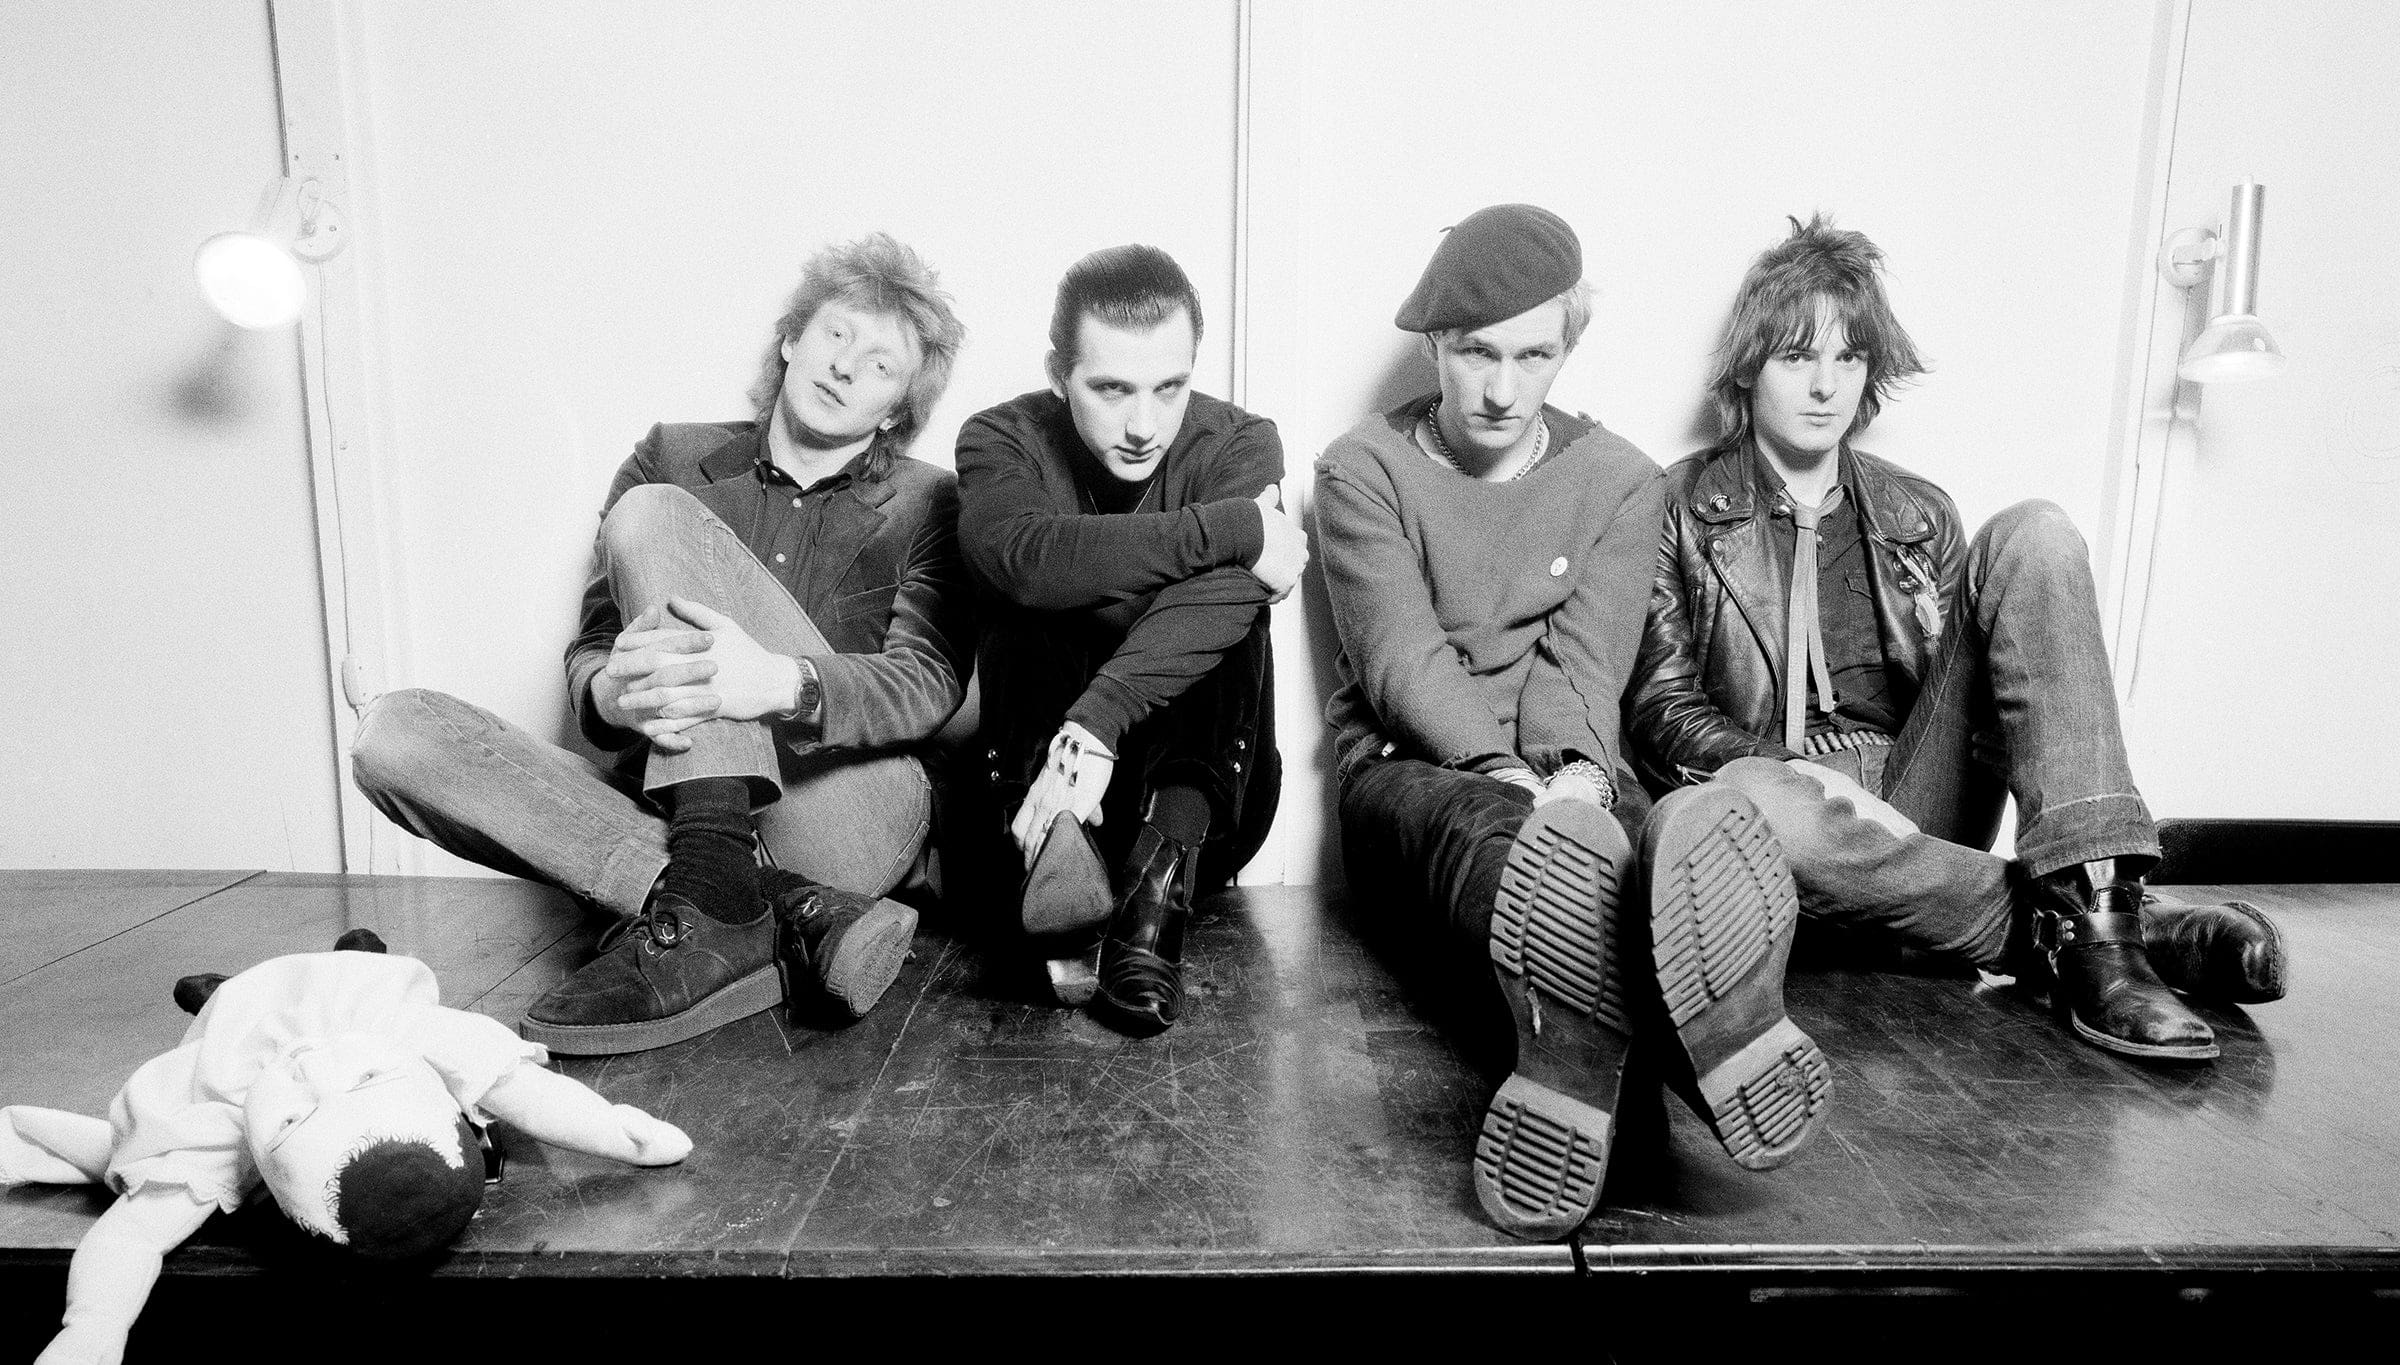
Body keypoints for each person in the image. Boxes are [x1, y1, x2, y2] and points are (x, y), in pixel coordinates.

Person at [1627, 214, 2287, 1066]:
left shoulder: (1920, 513)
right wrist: (1801, 773)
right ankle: (2107, 933)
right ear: (1750, 365)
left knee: (2037, 530)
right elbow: (1662, 710)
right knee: (1748, 798)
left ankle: (2095, 893)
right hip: (1783, 808)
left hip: (1913, 790)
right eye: (1797, 357)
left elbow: (1970, 704)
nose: (1826, 386)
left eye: (1849, 358)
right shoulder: (1677, 505)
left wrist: (1967, 754)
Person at [1320, 205, 1830, 1243]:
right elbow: (1402, 663)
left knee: (1635, 837)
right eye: (1476, 353)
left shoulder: (1619, 480)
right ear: (1435, 345)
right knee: (1501, 837)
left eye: (1532, 356)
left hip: (1567, 779)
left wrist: (1577, 785)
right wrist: (1515, 785)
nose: (1501, 389)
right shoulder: (1361, 469)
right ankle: (1687, 1042)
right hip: (1408, 778)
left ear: (1567, 350)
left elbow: (1581, 671)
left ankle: (1611, 1040)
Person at [350, 233, 971, 1054]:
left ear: (895, 408)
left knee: (652, 514)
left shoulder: (930, 502)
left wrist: (780, 682)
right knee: (392, 735)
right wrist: (611, 696)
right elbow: (596, 644)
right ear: (792, 339)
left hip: (845, 810)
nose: (847, 367)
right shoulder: (671, 453)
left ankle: (731, 888)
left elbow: (927, 680)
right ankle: (771, 907)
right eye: (836, 333)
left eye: (881, 364)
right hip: (668, 808)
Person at [0, 935, 692, 1365]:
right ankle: (357, 952)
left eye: (292, 1116)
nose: (310, 1069)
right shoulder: (402, 1036)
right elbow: (519, 1088)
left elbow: (132, 1235)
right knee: (362, 961)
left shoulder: (216, 1137)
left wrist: (94, 1323)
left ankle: (219, 993)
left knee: (228, 1001)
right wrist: (613, 1130)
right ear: (431, 1093)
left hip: (237, 1025)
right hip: (352, 996)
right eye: (364, 1081)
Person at [952, 245, 1299, 1035]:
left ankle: (1154, 900)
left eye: (1169, 387)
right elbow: (1021, 556)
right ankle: (1052, 859)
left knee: (1227, 610)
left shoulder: (1239, 442)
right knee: (1023, 601)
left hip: (1195, 806)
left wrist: (1099, 720)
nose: (1144, 426)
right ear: (1059, 372)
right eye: (1111, 389)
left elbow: (1236, 592)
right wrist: (1237, 526)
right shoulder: (1000, 437)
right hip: (1032, 793)